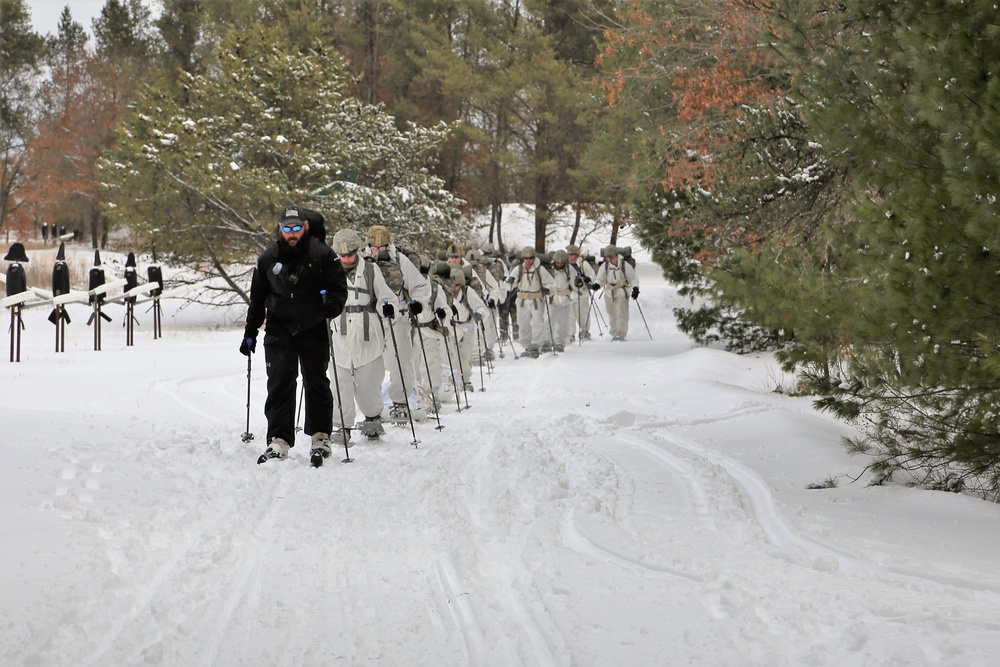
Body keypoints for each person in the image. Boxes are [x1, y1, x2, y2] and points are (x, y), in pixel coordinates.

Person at [242, 206, 348, 462]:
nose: (291, 233)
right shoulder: (268, 259)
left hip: (313, 326)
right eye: (287, 228)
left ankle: (321, 436)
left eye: (296, 228)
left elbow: (338, 288)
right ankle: (278, 439)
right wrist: (250, 332)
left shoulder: (323, 255)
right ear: (280, 229)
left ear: (305, 228)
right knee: (279, 381)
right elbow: (258, 299)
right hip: (279, 327)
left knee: (316, 381)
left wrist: (331, 307)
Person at [329, 228, 400, 442]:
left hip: (367, 333)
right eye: (342, 255)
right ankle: (342, 425)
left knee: (368, 382)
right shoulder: (329, 271)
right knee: (339, 383)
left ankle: (372, 416)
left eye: (350, 254)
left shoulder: (370, 270)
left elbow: (386, 296)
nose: (347, 258)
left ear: (357, 250)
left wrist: (387, 307)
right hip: (340, 333)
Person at [364, 225, 430, 423]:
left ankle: (400, 402)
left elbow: (419, 285)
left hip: (398, 317)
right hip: (370, 319)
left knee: (400, 360)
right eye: (374, 248)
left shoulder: (400, 260)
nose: (378, 251)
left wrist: (418, 302)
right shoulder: (361, 262)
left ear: (389, 244)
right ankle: (372, 408)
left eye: (382, 247)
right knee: (368, 364)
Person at [504, 246, 554, 358]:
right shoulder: (519, 269)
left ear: (534, 258)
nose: (528, 260)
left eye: (530, 258)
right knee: (523, 323)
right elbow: (508, 284)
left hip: (536, 299)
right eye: (526, 258)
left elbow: (551, 283)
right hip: (522, 299)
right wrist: (510, 281)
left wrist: (547, 289)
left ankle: (536, 345)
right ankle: (526, 345)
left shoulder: (540, 269)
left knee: (537, 322)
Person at [595, 245, 639, 341]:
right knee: (612, 313)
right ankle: (614, 333)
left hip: (621, 292)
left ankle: (621, 334)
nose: (608, 259)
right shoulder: (605, 266)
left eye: (610, 257)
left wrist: (635, 288)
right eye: (606, 257)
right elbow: (600, 278)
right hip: (609, 292)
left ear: (615, 255)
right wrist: (597, 285)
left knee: (621, 313)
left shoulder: (624, 265)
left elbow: (633, 278)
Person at [566, 244, 598, 342]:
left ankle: (585, 330)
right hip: (569, 293)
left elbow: (592, 276)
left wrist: (587, 279)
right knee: (569, 315)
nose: (571, 256)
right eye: (569, 254)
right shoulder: (565, 265)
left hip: (582, 293)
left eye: (573, 254)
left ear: (577, 254)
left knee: (582, 314)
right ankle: (570, 334)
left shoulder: (583, 264)